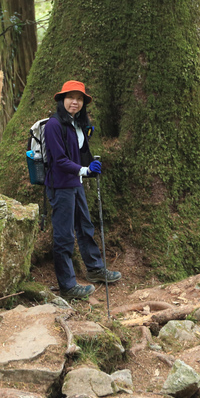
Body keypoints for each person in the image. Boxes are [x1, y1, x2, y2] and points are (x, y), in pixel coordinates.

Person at [44, 80, 122, 299]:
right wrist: (85, 171)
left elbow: (77, 152)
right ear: (62, 99)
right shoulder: (54, 125)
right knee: (64, 236)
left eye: (79, 99)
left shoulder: (76, 124)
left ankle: (95, 269)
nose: (75, 102)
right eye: (70, 97)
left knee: (85, 226)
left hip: (74, 184)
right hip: (60, 186)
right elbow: (59, 160)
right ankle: (68, 286)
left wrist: (86, 137)